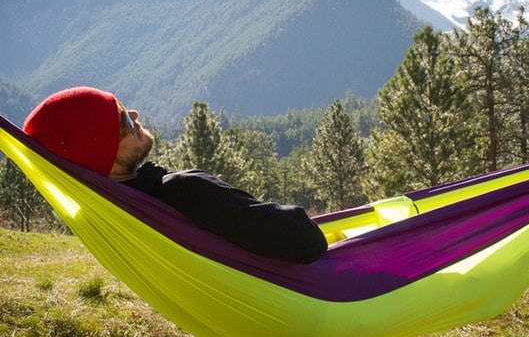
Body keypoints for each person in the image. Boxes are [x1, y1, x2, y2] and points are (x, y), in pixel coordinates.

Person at [23, 86, 328, 263]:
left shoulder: (107, 216)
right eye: (122, 122)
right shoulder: (185, 193)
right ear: (105, 154)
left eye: (124, 108)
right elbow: (308, 240)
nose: (135, 116)